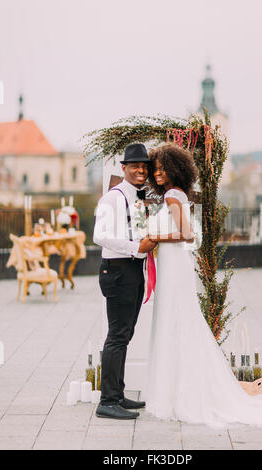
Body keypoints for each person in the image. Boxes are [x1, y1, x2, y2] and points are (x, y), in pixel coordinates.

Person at [145, 143, 262, 429]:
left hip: (174, 266)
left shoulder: (172, 197)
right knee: (177, 320)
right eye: (156, 169)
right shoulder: (175, 195)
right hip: (174, 265)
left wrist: (155, 237)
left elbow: (187, 235)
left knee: (175, 319)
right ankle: (178, 387)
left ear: (175, 169)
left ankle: (177, 391)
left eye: (163, 168)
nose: (159, 173)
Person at [93, 143, 157, 420]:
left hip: (132, 270)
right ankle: (107, 401)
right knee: (117, 336)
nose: (141, 170)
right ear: (124, 168)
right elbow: (99, 236)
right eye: (135, 165)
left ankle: (117, 393)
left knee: (125, 334)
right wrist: (136, 247)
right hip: (118, 270)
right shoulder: (113, 198)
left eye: (144, 166)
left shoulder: (139, 197)